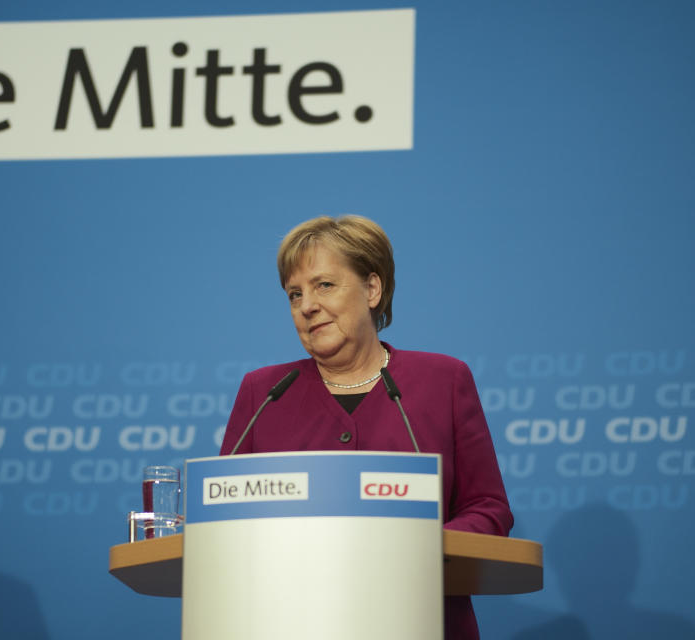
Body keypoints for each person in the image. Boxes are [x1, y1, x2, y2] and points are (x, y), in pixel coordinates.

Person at [219, 215, 513, 640]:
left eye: (324, 285)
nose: (306, 306)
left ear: (372, 289)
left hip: (422, 618)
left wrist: (418, 548)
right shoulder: (264, 393)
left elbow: (489, 507)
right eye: (294, 294)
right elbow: (224, 522)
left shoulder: (443, 381)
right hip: (291, 622)